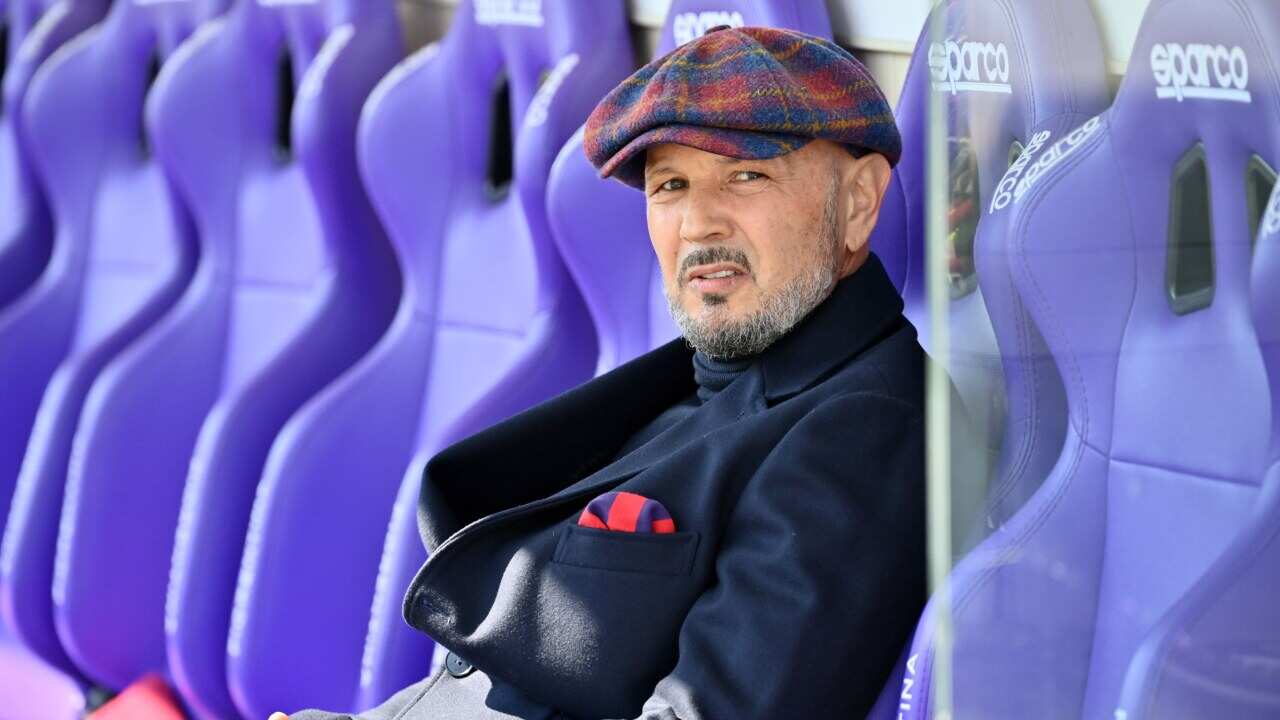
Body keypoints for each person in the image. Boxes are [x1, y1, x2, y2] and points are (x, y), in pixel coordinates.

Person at [281, 24, 924, 720]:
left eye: (747, 175)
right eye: (670, 184)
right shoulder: (712, 377)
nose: (699, 224)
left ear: (859, 202)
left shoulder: (865, 425)